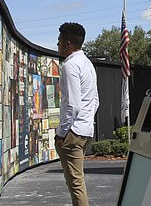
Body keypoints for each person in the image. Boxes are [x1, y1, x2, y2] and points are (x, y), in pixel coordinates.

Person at [54, 22, 99, 206]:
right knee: (77, 182)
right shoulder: (87, 64)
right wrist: (86, 122)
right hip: (85, 130)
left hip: (73, 133)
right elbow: (96, 101)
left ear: (68, 43)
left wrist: (62, 134)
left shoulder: (70, 66)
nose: (57, 44)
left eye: (59, 40)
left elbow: (72, 105)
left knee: (76, 184)